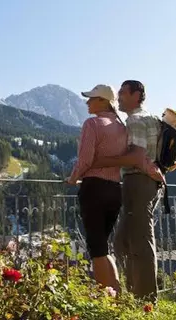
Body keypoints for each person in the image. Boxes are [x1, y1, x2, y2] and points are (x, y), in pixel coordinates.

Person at [91, 80, 164, 304]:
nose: (119, 97)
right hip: (143, 182)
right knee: (123, 241)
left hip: (138, 182)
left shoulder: (136, 120)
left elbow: (136, 157)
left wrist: (101, 160)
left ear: (136, 94)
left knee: (140, 241)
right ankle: (133, 293)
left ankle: (146, 301)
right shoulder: (150, 118)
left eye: (122, 93)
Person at [66, 84, 127, 291]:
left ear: (103, 101)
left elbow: (84, 160)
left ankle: (105, 300)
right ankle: (117, 293)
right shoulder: (121, 127)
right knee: (103, 245)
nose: (87, 102)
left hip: (94, 190)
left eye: (91, 99)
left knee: (96, 249)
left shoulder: (92, 124)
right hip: (115, 190)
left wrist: (73, 178)